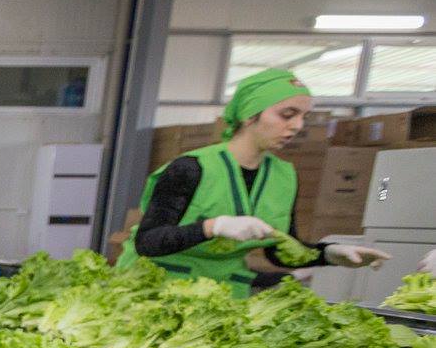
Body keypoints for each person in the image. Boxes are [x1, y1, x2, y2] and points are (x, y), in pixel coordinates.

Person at [118, 67, 388, 296]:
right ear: (250, 115)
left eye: (303, 117)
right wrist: (213, 227)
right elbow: (149, 242)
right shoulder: (191, 168)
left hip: (221, 296)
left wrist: (328, 254)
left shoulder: (283, 176)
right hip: (156, 289)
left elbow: (279, 251)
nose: (297, 126)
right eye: (287, 115)